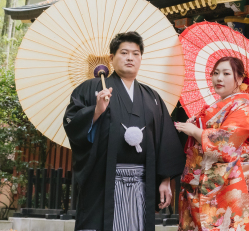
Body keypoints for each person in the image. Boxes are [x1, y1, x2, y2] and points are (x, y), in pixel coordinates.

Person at [63, 31, 186, 231]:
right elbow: (72, 123)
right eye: (124, 53)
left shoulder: (152, 97)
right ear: (111, 58)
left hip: (142, 182)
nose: (130, 58)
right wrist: (95, 111)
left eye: (136, 54)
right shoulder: (91, 88)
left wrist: (164, 180)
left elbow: (165, 139)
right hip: (104, 181)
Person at [174, 56, 249, 231]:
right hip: (198, 179)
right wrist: (197, 124)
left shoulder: (244, 107)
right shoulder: (216, 106)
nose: (219, 78)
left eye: (226, 73)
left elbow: (226, 143)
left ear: (239, 79)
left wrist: (195, 132)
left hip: (226, 181)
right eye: (215, 73)